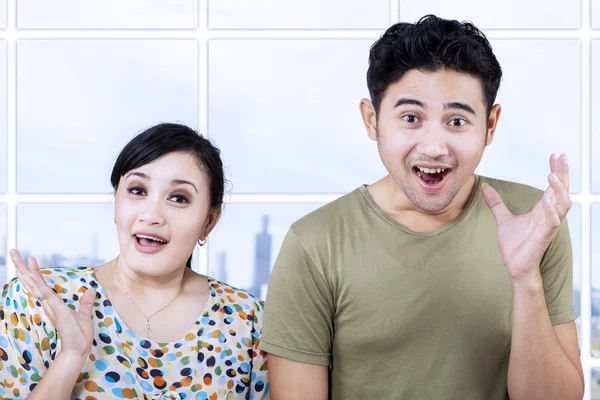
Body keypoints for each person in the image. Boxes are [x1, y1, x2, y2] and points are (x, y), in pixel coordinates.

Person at [260, 15, 583, 400]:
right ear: (372, 119)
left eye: (457, 121)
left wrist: (525, 277)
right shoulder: (315, 243)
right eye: (411, 118)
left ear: (490, 126)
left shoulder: (532, 220)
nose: (434, 147)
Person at [0, 123, 270, 399]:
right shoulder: (39, 300)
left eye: (178, 198)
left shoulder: (247, 322)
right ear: (116, 202)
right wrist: (71, 356)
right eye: (138, 190)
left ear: (209, 222)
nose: (151, 215)